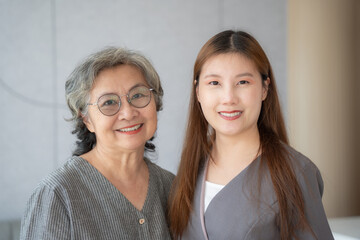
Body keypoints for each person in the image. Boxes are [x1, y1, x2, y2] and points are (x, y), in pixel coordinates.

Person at [168, 30, 333, 240]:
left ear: (265, 88)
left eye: (243, 82)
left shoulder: (296, 174)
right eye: (214, 83)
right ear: (198, 91)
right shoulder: (192, 165)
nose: (228, 98)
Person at [20, 47, 174, 239]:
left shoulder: (174, 188)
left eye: (137, 95)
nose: (128, 113)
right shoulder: (57, 194)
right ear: (86, 119)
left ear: (155, 102)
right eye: (108, 102)